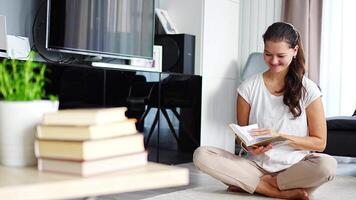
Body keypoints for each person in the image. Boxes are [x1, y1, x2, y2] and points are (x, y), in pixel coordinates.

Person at [193, 22, 337, 200]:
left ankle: (258, 184)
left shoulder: (309, 89)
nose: (274, 61)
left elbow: (319, 143)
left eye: (280, 55)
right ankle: (274, 190)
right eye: (268, 54)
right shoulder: (248, 88)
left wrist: (280, 136)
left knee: (327, 165)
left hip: (295, 168)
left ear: (295, 51)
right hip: (256, 167)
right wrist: (250, 147)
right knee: (201, 155)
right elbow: (242, 136)